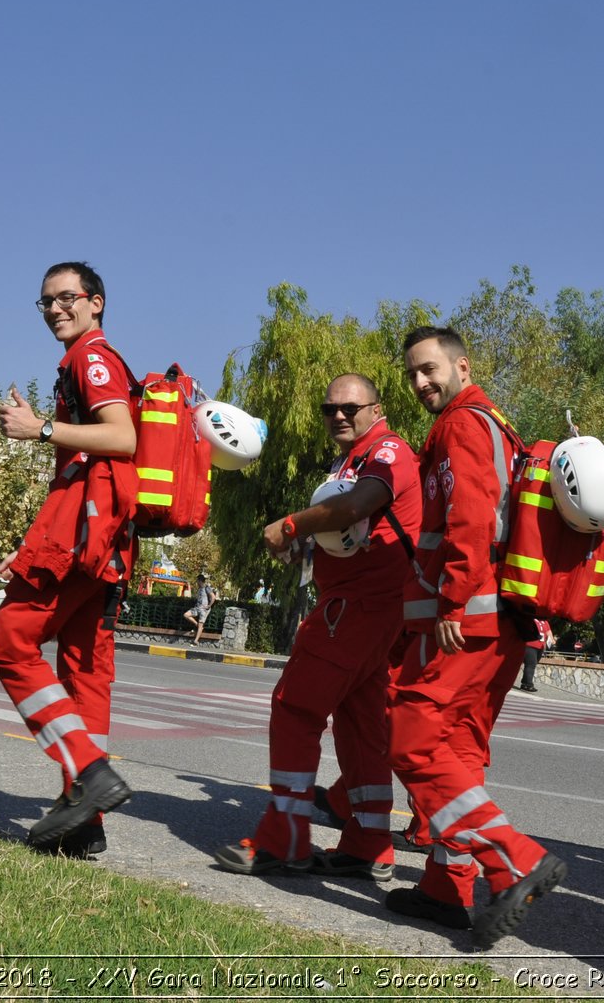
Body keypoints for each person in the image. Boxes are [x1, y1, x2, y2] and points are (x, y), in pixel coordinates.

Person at [385, 326, 567, 950]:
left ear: (462, 367)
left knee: (411, 738)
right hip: (497, 622)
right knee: (457, 751)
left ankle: (512, 860)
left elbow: (472, 515)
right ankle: (446, 886)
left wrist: (455, 601)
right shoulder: (492, 424)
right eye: (412, 373)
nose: (420, 383)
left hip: (468, 619)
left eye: (430, 369)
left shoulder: (465, 424)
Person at [212, 373, 421, 882]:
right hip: (368, 606)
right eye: (331, 409)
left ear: (378, 408)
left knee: (294, 707)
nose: (340, 416)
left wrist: (289, 525)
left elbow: (356, 506)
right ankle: (369, 843)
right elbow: (348, 528)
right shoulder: (351, 459)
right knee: (360, 725)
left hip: (360, 606)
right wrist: (308, 543)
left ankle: (284, 837)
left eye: (351, 407)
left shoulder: (387, 453)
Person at [0, 261, 137, 856]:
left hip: (83, 537)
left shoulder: (91, 358)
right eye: (45, 301)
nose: (54, 309)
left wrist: (38, 428)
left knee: (8, 643)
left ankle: (88, 772)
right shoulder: (89, 359)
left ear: (95, 301)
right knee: (84, 676)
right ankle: (84, 823)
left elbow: (121, 438)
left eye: (66, 298)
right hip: (102, 543)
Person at [518, 618, 551, 692]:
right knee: (531, 664)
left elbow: (548, 632)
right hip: (530, 645)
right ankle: (528, 684)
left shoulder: (545, 621)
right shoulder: (532, 618)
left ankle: (524, 683)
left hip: (540, 647)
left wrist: (551, 640)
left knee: (532, 664)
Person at [183, 574, 217, 643]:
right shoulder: (199, 589)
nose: (196, 582)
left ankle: (196, 640)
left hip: (204, 610)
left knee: (201, 624)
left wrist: (209, 605)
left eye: (197, 581)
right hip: (197, 608)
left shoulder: (207, 588)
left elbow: (213, 597)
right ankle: (197, 624)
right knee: (186, 615)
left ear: (200, 580)